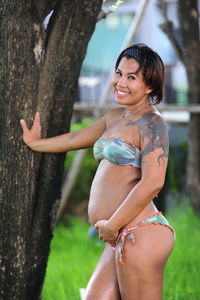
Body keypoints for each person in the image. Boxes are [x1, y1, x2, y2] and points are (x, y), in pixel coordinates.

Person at [20, 43, 175, 300]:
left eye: (131, 77)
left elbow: (152, 184)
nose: (120, 82)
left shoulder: (153, 123)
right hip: (119, 234)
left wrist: (112, 225)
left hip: (140, 232)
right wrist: (35, 143)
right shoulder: (115, 117)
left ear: (150, 86)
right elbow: (74, 139)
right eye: (118, 73)